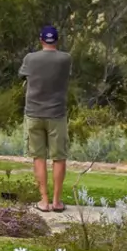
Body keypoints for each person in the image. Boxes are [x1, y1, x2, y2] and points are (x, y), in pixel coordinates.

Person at [19, 25, 72, 213]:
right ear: (57, 40)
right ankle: (57, 201)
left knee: (38, 157)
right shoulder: (65, 59)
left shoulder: (30, 58)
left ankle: (44, 201)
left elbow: (23, 76)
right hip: (57, 114)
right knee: (59, 158)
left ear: (41, 40)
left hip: (34, 113)